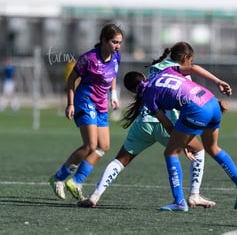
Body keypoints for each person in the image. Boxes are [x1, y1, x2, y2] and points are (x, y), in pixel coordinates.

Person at [78, 42, 218, 209]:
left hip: (143, 122)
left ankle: (95, 196)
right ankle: (194, 195)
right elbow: (188, 96)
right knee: (199, 150)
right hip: (167, 124)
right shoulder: (178, 70)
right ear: (186, 58)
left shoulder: (154, 67)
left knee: (120, 160)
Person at [122, 63, 237, 212]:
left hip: (196, 109)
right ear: (144, 77)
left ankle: (179, 202)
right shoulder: (165, 71)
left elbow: (167, 124)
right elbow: (193, 67)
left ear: (132, 91)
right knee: (212, 148)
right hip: (211, 101)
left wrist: (182, 144)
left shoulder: (147, 96)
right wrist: (218, 81)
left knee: (170, 152)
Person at [49, 23, 123, 200]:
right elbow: (72, 79)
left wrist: (113, 95)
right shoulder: (88, 58)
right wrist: (70, 104)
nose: (117, 46)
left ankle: (76, 182)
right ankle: (58, 178)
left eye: (120, 42)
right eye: (114, 42)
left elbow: (112, 76)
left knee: (103, 146)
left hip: (101, 105)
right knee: (90, 145)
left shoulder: (116, 57)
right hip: (85, 101)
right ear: (103, 40)